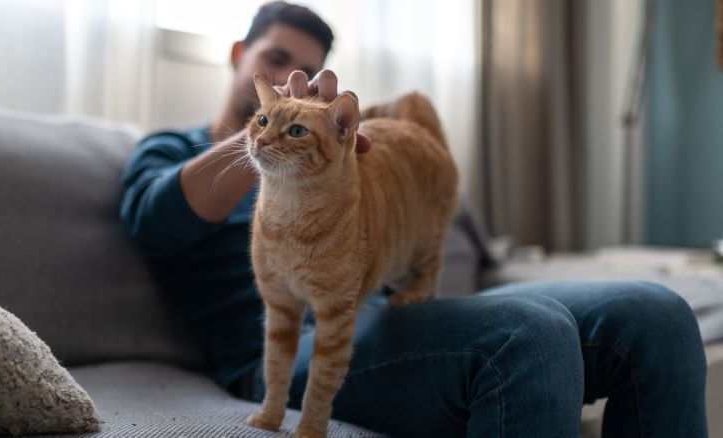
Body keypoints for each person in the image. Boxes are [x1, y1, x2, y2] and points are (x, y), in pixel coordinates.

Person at [120, 2, 708, 436]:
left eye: (306, 71)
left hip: (378, 311)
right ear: (237, 55)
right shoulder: (169, 148)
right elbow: (154, 222)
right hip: (278, 354)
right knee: (528, 334)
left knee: (655, 312)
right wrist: (277, 136)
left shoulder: (331, 147)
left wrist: (331, 140)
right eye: (277, 62)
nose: (286, 80)